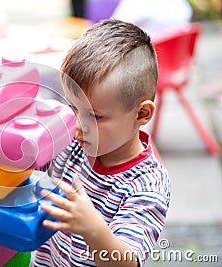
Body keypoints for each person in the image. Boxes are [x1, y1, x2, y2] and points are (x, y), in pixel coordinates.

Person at [31, 19, 170, 266]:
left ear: (141, 114)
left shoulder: (146, 185)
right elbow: (25, 171)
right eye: (73, 107)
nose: (77, 125)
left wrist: (94, 230)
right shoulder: (69, 144)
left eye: (95, 116)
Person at [111, 0, 193, 36]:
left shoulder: (136, 3)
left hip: (146, 62)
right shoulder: (182, 6)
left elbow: (111, 28)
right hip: (175, 64)